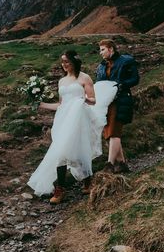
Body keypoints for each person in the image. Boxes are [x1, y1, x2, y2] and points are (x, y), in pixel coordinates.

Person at [28, 50, 117, 204]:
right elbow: (61, 105)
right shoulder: (61, 82)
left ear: (74, 62)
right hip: (63, 120)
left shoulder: (84, 78)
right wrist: (41, 104)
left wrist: (83, 100)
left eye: (67, 61)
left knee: (79, 149)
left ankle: (85, 182)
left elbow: (93, 100)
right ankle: (62, 189)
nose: (64, 64)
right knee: (61, 151)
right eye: (62, 62)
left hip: (80, 118)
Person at [96, 39, 140, 173]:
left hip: (120, 100)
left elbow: (135, 79)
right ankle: (122, 163)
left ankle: (109, 164)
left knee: (114, 132)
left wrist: (122, 85)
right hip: (106, 103)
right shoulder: (101, 66)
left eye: (103, 49)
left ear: (111, 49)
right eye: (100, 50)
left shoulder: (126, 61)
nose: (101, 53)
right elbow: (99, 83)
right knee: (109, 132)